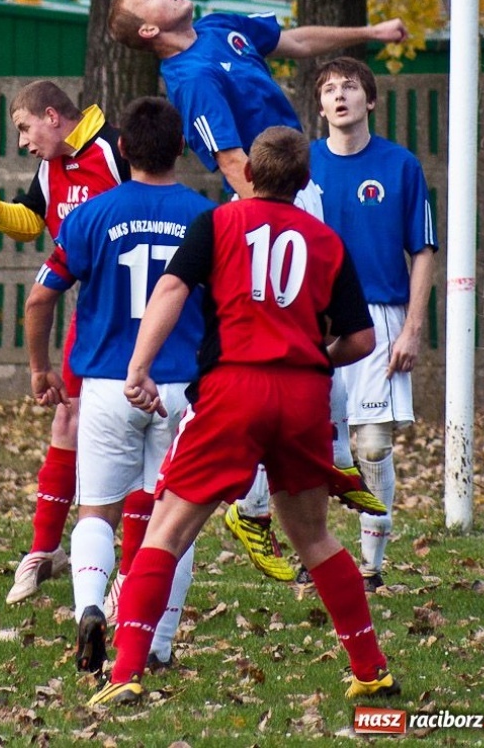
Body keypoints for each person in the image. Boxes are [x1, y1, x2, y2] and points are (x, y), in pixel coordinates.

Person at [88, 125, 400, 708]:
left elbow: (171, 291)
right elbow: (359, 340)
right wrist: (314, 359)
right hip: (303, 397)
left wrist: (138, 368)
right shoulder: (327, 242)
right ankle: (370, 667)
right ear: (306, 181)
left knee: (168, 530)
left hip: (233, 389)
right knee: (313, 535)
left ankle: (125, 671)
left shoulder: (216, 222)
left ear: (249, 174)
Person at [107, 0, 407, 582]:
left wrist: (368, 35)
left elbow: (293, 40)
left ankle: (314, 472)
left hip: (300, 193)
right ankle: (263, 498)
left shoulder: (219, 24)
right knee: (298, 358)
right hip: (272, 207)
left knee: (321, 359)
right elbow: (232, 163)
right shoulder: (190, 80)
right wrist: (277, 222)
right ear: (147, 30)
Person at [24, 96, 215, 677]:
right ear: (181, 148)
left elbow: (41, 296)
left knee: (96, 515)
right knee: (171, 522)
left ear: (123, 149)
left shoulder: (92, 215)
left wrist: (40, 367)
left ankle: (88, 607)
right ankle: (156, 644)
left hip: (108, 385)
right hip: (181, 389)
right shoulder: (208, 217)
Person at [0, 79, 139, 606]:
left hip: (144, 314)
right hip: (93, 315)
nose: (22, 142)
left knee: (139, 435)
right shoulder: (50, 165)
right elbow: (33, 221)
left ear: (53, 116)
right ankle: (43, 552)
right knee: (67, 418)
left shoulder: (115, 150)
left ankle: (130, 570)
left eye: (24, 127)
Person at [304, 57, 437, 593]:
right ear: (320, 106)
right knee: (317, 447)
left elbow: (423, 251)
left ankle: (371, 565)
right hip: (317, 323)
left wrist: (413, 329)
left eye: (351, 87)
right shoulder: (304, 165)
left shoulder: (401, 165)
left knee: (374, 447)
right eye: (330, 90)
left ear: (371, 101)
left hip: (381, 318)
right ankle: (319, 557)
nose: (340, 96)